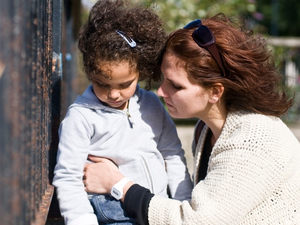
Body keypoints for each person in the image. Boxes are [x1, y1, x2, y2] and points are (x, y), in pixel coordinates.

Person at [83, 13, 300, 224]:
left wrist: (118, 184)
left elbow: (196, 220)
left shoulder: (251, 141)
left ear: (215, 92)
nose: (160, 92)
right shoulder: (205, 129)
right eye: (164, 79)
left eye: (176, 85)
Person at [52, 0, 193, 224]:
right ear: (90, 72)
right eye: (103, 84)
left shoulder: (152, 105)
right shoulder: (81, 117)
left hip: (155, 207)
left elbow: (172, 155)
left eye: (125, 84)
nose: (114, 94)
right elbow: (68, 176)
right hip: (114, 215)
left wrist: (184, 202)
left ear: (141, 70)